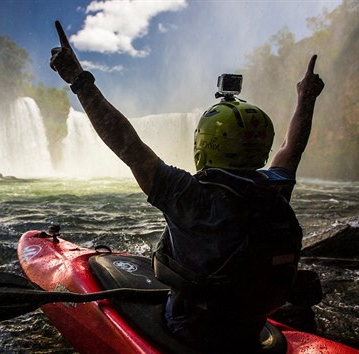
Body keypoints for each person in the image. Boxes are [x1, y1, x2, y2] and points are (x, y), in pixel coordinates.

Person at [50, 21, 324, 352]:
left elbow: (124, 142)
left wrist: (79, 80)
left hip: (190, 332)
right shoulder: (275, 188)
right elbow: (293, 146)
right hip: (249, 329)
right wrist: (305, 99)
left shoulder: (189, 195)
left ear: (204, 145)